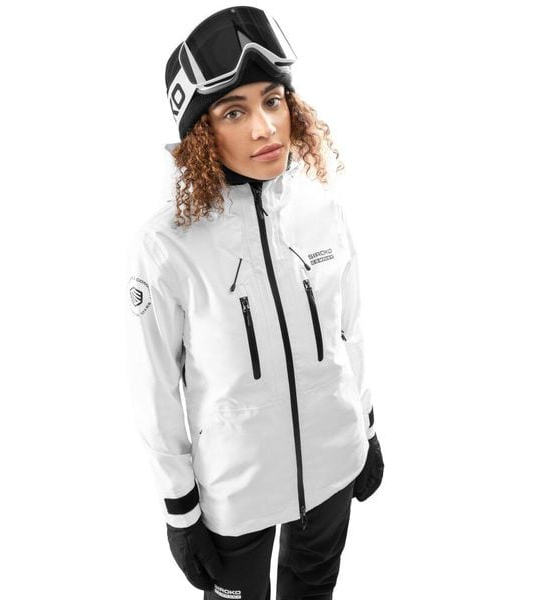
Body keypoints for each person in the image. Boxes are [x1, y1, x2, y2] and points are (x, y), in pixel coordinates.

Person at [125, 6, 384, 600]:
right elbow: (154, 385)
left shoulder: (322, 210)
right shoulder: (167, 244)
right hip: (236, 492)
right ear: (201, 131)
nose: (266, 128)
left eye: (273, 100)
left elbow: (350, 331)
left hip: (333, 462)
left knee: (314, 587)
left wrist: (365, 428)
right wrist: (179, 508)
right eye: (234, 112)